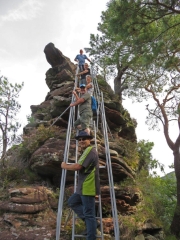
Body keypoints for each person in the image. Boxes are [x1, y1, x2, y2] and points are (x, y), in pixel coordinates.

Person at [61, 130, 100, 240]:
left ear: (90, 140)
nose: (81, 141)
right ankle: (92, 223)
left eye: (84, 139)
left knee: (89, 215)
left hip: (88, 187)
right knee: (72, 202)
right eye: (80, 139)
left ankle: (91, 230)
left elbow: (78, 167)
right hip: (83, 187)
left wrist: (65, 166)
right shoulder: (87, 151)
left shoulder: (90, 151)